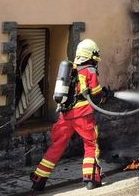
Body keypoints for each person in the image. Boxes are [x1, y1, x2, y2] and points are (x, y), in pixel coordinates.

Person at [30, 39, 110, 192]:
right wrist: (104, 95)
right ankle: (91, 179)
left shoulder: (70, 69)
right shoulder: (89, 70)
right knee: (91, 144)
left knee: (57, 146)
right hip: (83, 116)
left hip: (64, 116)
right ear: (91, 55)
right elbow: (96, 93)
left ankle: (38, 179)